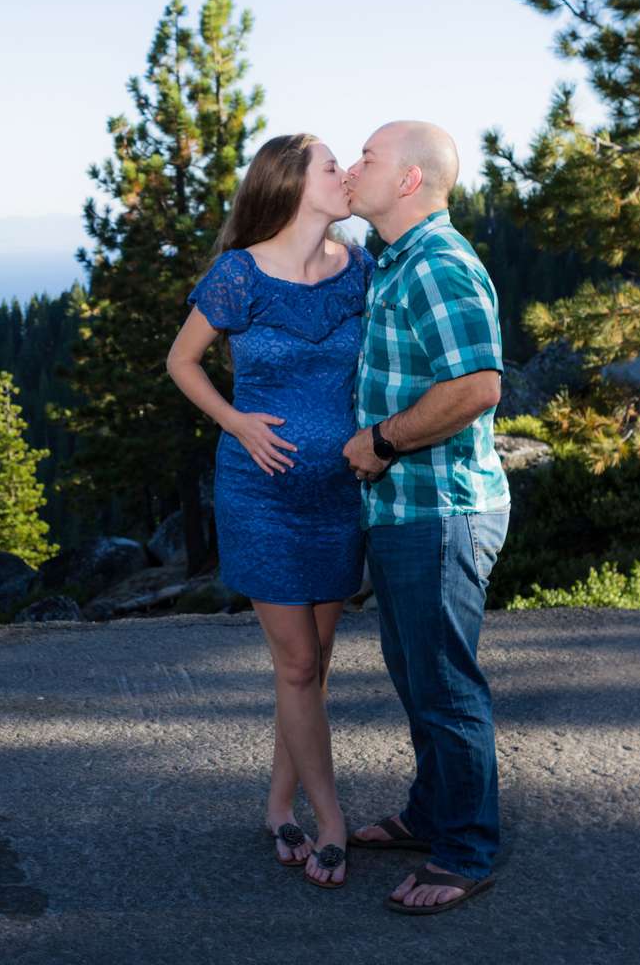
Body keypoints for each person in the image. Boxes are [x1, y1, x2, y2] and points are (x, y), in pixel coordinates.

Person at [166, 133, 373, 890]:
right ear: (291, 186)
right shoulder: (238, 274)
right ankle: (331, 820)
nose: (346, 174)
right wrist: (237, 421)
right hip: (262, 496)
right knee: (295, 663)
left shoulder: (360, 267)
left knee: (311, 668)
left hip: (338, 496)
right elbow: (181, 361)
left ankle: (278, 802)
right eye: (331, 166)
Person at [339, 120, 511, 916]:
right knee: (418, 678)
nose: (351, 166)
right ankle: (430, 811)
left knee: (443, 685)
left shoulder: (439, 264)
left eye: (367, 157)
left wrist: (380, 440)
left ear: (408, 180)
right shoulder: (395, 263)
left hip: (439, 511)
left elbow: (477, 387)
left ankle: (466, 851)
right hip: (407, 509)